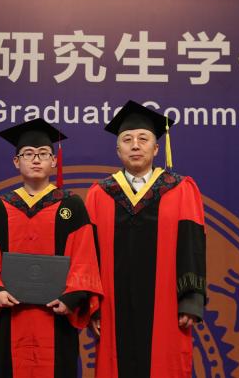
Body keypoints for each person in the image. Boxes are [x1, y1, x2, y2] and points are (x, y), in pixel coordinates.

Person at [85, 100, 206, 378]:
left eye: (143, 138)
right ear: (118, 150)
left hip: (167, 304)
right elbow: (89, 255)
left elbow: (192, 245)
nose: (135, 145)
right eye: (127, 139)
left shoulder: (180, 189)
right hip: (113, 305)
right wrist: (93, 306)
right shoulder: (100, 194)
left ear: (156, 148)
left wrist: (190, 300)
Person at [0, 118, 103, 378]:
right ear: (16, 162)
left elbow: (84, 258)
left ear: (54, 161)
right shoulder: (0, 207)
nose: (36, 160)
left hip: (57, 317)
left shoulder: (71, 206)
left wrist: (70, 299)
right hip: (9, 316)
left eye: (43, 154)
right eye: (28, 154)